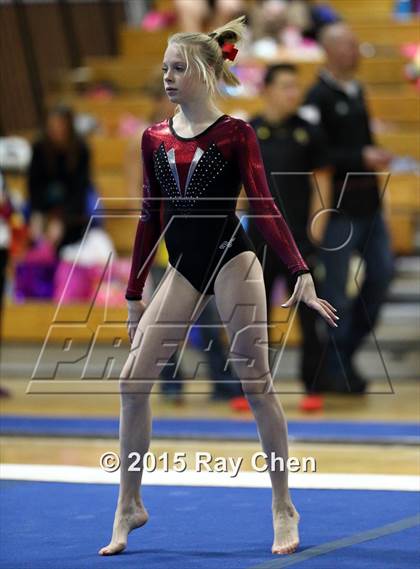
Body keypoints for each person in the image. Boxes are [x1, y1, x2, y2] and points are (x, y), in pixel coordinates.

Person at [99, 15, 339, 557]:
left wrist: (299, 270)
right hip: (183, 265)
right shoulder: (153, 138)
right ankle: (128, 504)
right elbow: (148, 217)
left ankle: (283, 504)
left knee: (256, 384)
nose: (166, 76)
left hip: (234, 260)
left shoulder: (237, 133)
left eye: (178, 67)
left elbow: (265, 206)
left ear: (207, 72)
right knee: (132, 384)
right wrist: (134, 291)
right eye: (163, 67)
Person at [303, 22, 395, 393]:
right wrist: (361, 155)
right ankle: (337, 367)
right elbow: (316, 154)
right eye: (348, 45)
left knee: (381, 277)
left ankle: (345, 353)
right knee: (336, 292)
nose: (355, 52)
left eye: (356, 45)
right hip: (338, 209)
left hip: (369, 205)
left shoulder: (357, 91)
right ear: (329, 50)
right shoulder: (316, 98)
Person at [247, 62, 334, 411]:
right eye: (285, 86)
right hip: (258, 238)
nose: (292, 93)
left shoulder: (309, 132)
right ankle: (252, 389)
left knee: (310, 315)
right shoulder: (247, 132)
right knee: (254, 315)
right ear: (266, 89)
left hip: (298, 238)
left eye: (295, 87)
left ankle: (312, 386)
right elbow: (238, 187)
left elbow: (322, 182)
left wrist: (316, 232)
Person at [27, 104, 92, 256]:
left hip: (72, 212)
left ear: (69, 127)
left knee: (65, 241)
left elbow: (79, 193)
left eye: (60, 126)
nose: (56, 130)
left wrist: (62, 220)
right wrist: (37, 214)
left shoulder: (81, 149)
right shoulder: (39, 147)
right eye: (52, 126)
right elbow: (34, 186)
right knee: (35, 237)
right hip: (45, 207)